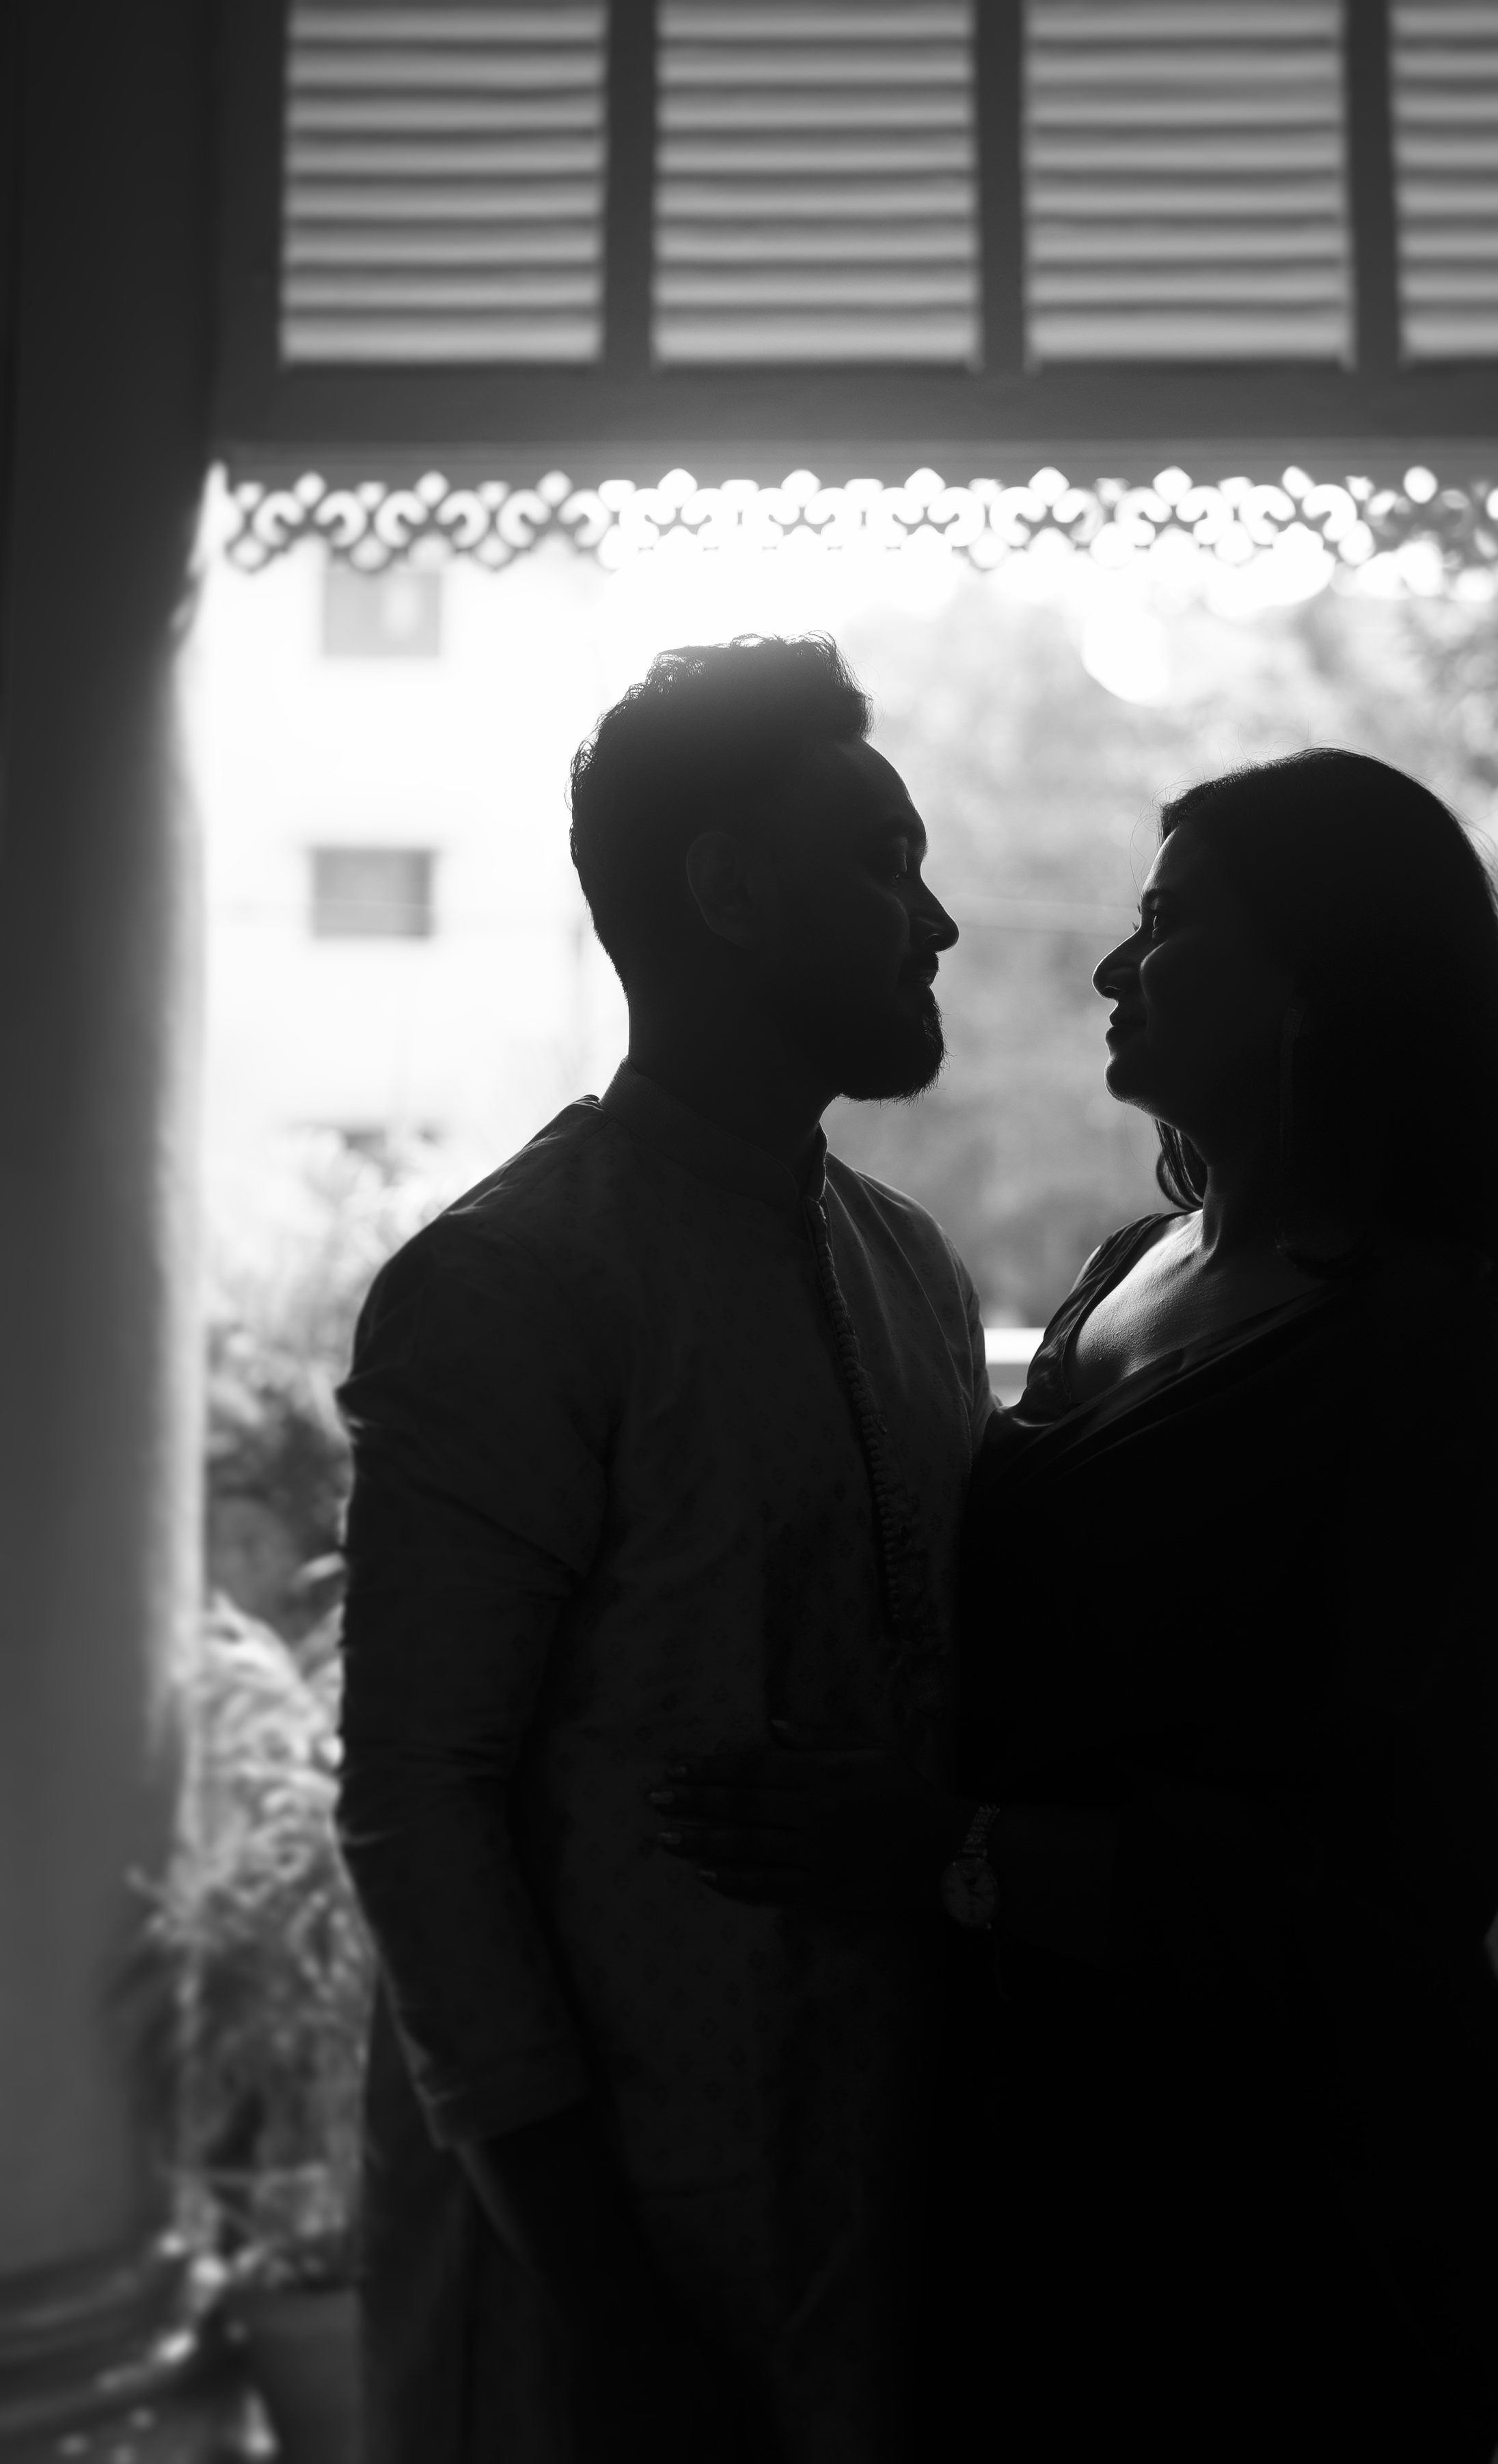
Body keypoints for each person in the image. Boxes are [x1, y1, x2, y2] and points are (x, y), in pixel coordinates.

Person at [657, 748, 1498, 2461]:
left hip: (1269, 2187)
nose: (1110, 967)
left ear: (1317, 987)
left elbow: (1401, 1880)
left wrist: (958, 1850)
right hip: (1054, 2110)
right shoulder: (1130, 1268)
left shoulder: (1411, 1352)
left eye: (1171, 928)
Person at [333, 635, 995, 2464]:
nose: (929, 920)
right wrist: (606, 2306)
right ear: (725, 888)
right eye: (880, 861)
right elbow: (415, 1799)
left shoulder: (909, 1268)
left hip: (873, 2215)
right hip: (600, 2286)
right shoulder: (509, 1285)